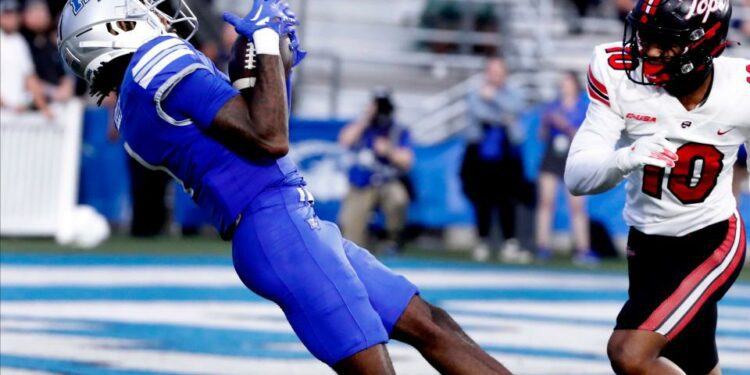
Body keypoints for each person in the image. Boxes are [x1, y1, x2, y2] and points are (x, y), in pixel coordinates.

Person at [57, 0, 511, 374]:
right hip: (275, 226)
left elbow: (257, 124)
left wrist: (272, 63)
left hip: (283, 223)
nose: (160, 12)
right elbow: (269, 137)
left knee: (429, 322)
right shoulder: (156, 64)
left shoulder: (133, 110)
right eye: (143, 8)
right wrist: (267, 42)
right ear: (116, 26)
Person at [564, 1, 747, 374]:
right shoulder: (616, 72)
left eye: (665, 42)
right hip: (646, 243)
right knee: (694, 364)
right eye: (646, 36)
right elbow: (577, 176)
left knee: (629, 353)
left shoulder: (741, 89)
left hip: (710, 237)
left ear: (703, 45)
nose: (647, 51)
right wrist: (626, 157)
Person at [461, 57, 529, 263]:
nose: (496, 76)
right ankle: (482, 240)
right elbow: (479, 113)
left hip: (506, 154)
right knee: (482, 198)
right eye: (492, 72)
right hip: (481, 153)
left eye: (499, 72)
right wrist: (503, 115)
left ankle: (509, 242)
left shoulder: (512, 93)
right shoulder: (475, 92)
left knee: (507, 198)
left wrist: (494, 100)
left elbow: (517, 108)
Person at [338, 89, 414, 253]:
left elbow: (407, 161)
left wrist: (389, 151)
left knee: (398, 198)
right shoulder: (363, 126)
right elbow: (345, 140)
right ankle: (359, 247)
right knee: (352, 235)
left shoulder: (397, 129)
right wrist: (366, 118)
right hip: (361, 183)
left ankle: (392, 238)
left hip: (387, 181)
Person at [535, 71, 597, 265]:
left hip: (575, 156)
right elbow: (542, 135)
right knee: (546, 202)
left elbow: (583, 134)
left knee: (577, 206)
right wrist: (546, 123)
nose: (563, 86)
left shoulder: (584, 107)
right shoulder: (553, 106)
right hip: (553, 155)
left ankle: (583, 249)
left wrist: (564, 124)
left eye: (567, 82)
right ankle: (543, 246)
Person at [0, 0, 50, 117]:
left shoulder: (19, 41)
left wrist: (44, 107)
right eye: (7, 14)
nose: (12, 18)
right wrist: (6, 104)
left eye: (15, 14)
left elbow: (30, 77)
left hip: (17, 113)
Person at [21, 0, 76, 103]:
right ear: (25, 14)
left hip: (59, 102)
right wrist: (53, 92)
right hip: (32, 104)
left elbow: (65, 72)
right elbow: (26, 79)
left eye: (43, 11)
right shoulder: (19, 41)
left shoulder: (52, 41)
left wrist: (67, 85)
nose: (40, 15)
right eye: (35, 11)